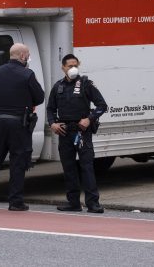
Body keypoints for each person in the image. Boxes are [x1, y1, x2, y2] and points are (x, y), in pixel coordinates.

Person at [0, 43, 45, 211]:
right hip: (18, 124)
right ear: (22, 56)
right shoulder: (27, 74)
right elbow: (39, 97)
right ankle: (15, 202)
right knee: (18, 162)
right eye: (27, 55)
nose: (28, 58)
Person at [47, 53, 107, 213]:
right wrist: (52, 123)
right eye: (69, 66)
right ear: (63, 68)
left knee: (87, 167)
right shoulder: (58, 86)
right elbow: (50, 109)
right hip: (65, 132)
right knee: (68, 168)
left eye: (75, 65)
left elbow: (102, 105)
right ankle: (73, 202)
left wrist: (89, 118)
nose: (73, 68)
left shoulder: (86, 84)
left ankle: (93, 203)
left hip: (82, 132)